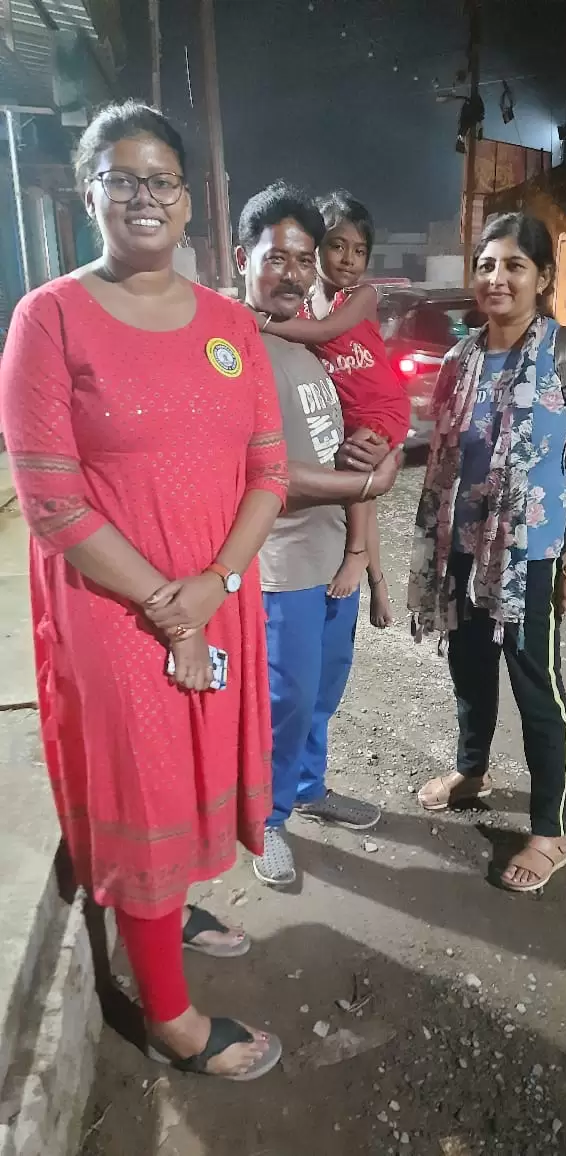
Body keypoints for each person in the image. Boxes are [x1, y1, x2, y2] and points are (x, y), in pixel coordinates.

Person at [0, 101, 289, 1080]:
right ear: (89, 195)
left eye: (161, 178)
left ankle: (164, 906)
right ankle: (168, 1015)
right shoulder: (49, 318)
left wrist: (216, 582)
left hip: (214, 593)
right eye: (120, 179)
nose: (143, 196)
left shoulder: (230, 324)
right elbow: (50, 498)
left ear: (188, 199)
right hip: (114, 609)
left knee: (190, 774)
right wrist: (172, 606)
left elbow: (268, 469)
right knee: (144, 783)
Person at [408, 213, 566, 893]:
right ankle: (472, 770)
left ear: (543, 277)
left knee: (536, 688)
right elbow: (443, 456)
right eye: (487, 265)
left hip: (531, 556)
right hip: (461, 549)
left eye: (514, 265)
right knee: (468, 670)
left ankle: (549, 832)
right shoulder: (458, 360)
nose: (496, 278)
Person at [236, 182, 402, 887]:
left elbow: (355, 440)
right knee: (285, 697)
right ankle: (265, 819)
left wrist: (377, 468)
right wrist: (369, 483)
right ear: (244, 259)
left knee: (324, 689)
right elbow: (263, 472)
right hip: (282, 563)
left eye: (304, 260)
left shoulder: (315, 341)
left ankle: (307, 788)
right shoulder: (237, 348)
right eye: (277, 257)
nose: (294, 273)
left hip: (334, 556)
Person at [261, 190, 410, 629]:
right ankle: (378, 584)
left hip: (380, 406)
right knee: (358, 490)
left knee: (354, 472)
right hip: (346, 412)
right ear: (318, 249)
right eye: (337, 246)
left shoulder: (362, 296)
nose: (348, 259)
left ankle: (357, 554)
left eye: (360, 251)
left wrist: (258, 319)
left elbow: (326, 332)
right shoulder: (304, 305)